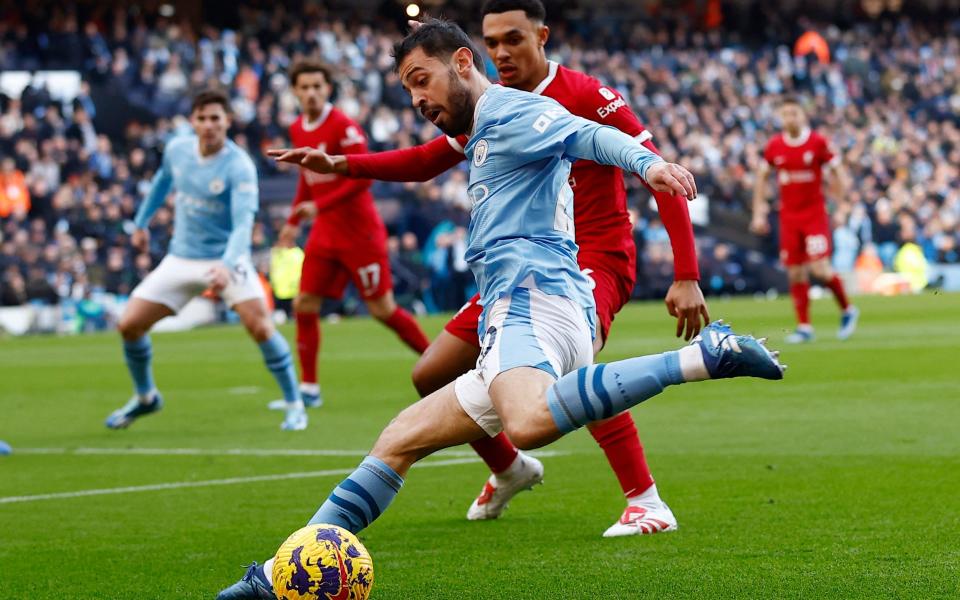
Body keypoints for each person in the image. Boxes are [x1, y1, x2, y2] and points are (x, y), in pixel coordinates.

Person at [217, 20, 783, 599]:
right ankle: (278, 575)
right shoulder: (480, 126)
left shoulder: (513, 111)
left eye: (422, 81)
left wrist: (648, 166)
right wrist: (342, 165)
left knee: (529, 423)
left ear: (462, 62)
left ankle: (700, 359)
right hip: (507, 314)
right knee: (398, 440)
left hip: (538, 299)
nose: (416, 100)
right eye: (408, 90)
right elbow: (420, 159)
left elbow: (585, 135)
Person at [271, 0, 709, 538]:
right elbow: (427, 159)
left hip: (588, 257)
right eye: (492, 41)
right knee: (431, 373)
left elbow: (636, 158)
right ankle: (509, 467)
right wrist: (341, 164)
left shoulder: (581, 97)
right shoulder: (483, 109)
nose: (500, 52)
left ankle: (645, 498)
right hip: (509, 271)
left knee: (568, 368)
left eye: (513, 39)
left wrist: (686, 272)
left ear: (541, 37)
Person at [105, 89, 306, 432]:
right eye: (202, 118)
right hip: (182, 257)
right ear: (192, 122)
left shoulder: (239, 165)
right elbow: (160, 184)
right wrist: (140, 222)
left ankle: (294, 403)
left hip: (226, 258)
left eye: (216, 118)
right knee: (130, 325)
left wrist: (227, 265)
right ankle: (146, 397)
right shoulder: (177, 149)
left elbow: (244, 222)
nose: (209, 125)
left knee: (260, 327)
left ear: (228, 121)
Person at [268, 61, 430, 411]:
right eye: (304, 87)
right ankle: (309, 389)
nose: (311, 93)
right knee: (304, 304)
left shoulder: (344, 126)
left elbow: (364, 177)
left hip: (359, 234)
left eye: (317, 86)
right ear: (294, 91)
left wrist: (319, 206)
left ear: (327, 89)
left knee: (382, 309)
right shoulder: (297, 127)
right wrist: (295, 219)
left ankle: (439, 362)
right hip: (325, 234)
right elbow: (306, 178)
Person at [751, 97, 859, 343]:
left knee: (819, 269)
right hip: (788, 217)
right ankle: (804, 326)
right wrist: (759, 211)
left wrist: (841, 206)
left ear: (803, 116)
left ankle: (847, 309)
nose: (790, 118)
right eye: (786, 114)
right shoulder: (775, 145)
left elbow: (838, 173)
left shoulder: (817, 143)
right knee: (796, 273)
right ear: (780, 118)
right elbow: (761, 176)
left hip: (814, 216)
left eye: (794, 113)